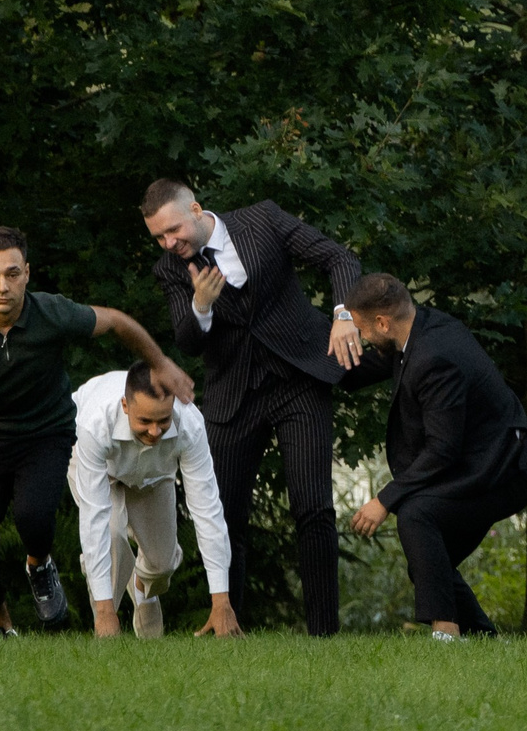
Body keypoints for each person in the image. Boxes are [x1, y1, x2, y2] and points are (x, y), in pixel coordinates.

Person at [0, 225, 192, 634]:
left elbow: (118, 322)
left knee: (34, 517)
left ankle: (39, 564)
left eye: (12, 273)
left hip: (45, 435)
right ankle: (1, 629)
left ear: (27, 273)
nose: (2, 285)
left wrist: (160, 363)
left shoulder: (51, 312)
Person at [141, 180, 364, 635]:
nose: (169, 244)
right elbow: (187, 342)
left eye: (173, 231)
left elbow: (340, 258)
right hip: (233, 395)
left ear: (197, 210)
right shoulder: (170, 270)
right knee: (224, 517)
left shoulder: (262, 220)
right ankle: (229, 625)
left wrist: (343, 316)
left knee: (313, 508)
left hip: (299, 378)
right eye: (159, 238)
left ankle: (324, 635)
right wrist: (200, 306)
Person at [340, 274, 527, 640]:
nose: (363, 339)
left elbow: (442, 450)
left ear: (383, 322)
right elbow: (369, 368)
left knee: (417, 516)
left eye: (364, 330)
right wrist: (317, 370)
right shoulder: (417, 329)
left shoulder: (435, 358)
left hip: (504, 469)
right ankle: (483, 637)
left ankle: (445, 632)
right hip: (481, 460)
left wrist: (383, 500)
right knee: (430, 561)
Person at [69, 362, 238, 640]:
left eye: (163, 420)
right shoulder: (94, 423)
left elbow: (207, 510)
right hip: (100, 468)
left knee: (162, 563)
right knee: (111, 536)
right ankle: (106, 623)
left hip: (154, 474)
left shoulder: (190, 426)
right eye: (145, 421)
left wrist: (221, 601)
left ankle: (142, 589)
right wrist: (104, 612)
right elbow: (93, 520)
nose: (155, 431)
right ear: (126, 406)